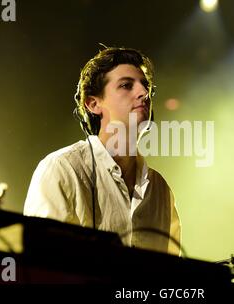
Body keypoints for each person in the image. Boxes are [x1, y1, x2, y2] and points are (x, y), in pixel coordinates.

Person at [23, 47, 181, 255]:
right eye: (126, 85)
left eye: (146, 86)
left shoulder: (160, 190)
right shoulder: (62, 169)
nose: (143, 93)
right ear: (93, 104)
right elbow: (41, 265)